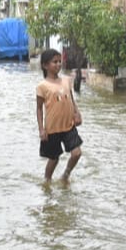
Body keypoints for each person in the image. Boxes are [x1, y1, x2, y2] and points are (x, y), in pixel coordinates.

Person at [35, 48, 83, 183]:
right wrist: (41, 129)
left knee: (77, 153)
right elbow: (39, 109)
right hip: (52, 128)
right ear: (45, 65)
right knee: (54, 158)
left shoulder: (66, 81)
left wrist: (77, 113)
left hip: (69, 125)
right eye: (54, 62)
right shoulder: (42, 86)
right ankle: (47, 181)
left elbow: (71, 99)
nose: (58, 64)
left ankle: (65, 175)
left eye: (59, 61)